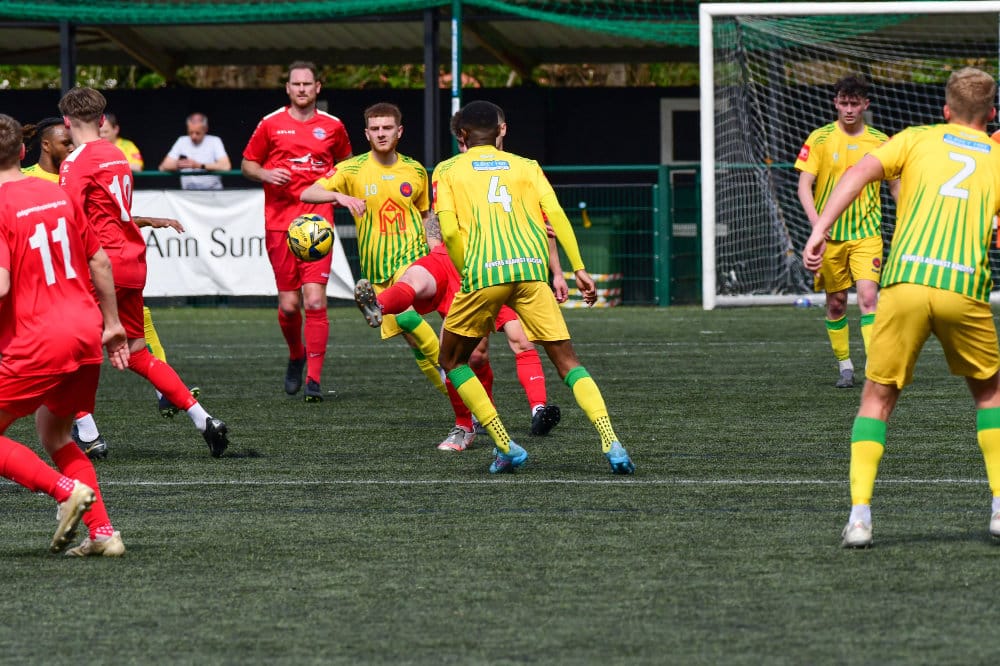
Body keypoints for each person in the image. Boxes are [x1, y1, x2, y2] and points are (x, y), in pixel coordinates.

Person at [802, 67, 1000, 548]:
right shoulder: (997, 156)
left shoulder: (913, 138)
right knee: (990, 396)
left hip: (906, 280)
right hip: (963, 286)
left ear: (945, 110)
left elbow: (857, 174)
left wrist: (819, 229)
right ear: (992, 114)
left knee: (876, 399)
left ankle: (860, 519)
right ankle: (999, 508)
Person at [434, 100, 634, 474]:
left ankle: (505, 445)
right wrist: (578, 268)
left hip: (484, 274)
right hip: (530, 271)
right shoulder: (528, 166)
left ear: (461, 134)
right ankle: (611, 441)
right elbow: (556, 215)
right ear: (502, 130)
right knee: (568, 362)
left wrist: (466, 272)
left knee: (452, 360)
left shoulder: (446, 170)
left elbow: (448, 230)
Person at [349, 108, 566, 450]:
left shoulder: (518, 169)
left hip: (500, 265)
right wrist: (438, 247)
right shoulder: (451, 170)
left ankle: (536, 409)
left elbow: (545, 223)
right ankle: (466, 423)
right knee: (463, 348)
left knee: (517, 340)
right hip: (460, 263)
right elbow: (437, 221)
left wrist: (557, 272)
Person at [58, 86, 230, 458]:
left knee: (67, 350)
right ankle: (203, 419)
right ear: (102, 120)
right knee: (137, 352)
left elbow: (68, 220)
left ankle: (88, 433)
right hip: (131, 261)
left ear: (67, 122)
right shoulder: (116, 154)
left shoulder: (74, 162)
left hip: (99, 264)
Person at [0, 113, 130, 556]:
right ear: (23, 151)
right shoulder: (57, 193)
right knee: (55, 434)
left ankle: (64, 491)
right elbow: (99, 261)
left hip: (39, 339)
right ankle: (103, 533)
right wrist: (113, 325)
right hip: (86, 331)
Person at [299, 102, 450, 410]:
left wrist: (436, 249)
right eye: (375, 129)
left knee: (407, 317)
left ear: (399, 131)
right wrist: (338, 196)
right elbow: (307, 193)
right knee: (412, 339)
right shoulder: (351, 169)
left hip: (412, 260)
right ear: (367, 134)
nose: (381, 134)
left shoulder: (415, 170)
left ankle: (452, 369)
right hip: (376, 270)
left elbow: (426, 215)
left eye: (387, 128)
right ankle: (460, 401)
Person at [241, 60, 353, 402]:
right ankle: (295, 355)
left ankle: (313, 380)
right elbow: (247, 164)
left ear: (317, 88)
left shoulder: (333, 126)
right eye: (296, 84)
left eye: (307, 84)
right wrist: (265, 174)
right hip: (280, 223)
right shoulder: (270, 124)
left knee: (315, 299)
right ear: (288, 88)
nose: (302, 89)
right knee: (290, 306)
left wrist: (335, 188)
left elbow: (347, 166)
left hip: (317, 223)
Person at [796, 75, 899, 389]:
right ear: (835, 103)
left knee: (868, 298)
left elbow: (896, 186)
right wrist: (818, 226)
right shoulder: (820, 138)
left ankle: (873, 370)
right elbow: (804, 186)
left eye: (855, 103)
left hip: (867, 234)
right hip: (830, 238)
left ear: (866, 104)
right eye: (844, 103)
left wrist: (908, 217)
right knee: (836, 303)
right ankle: (845, 366)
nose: (849, 109)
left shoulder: (881, 142)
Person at [159, 112, 231, 190]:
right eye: (190, 132)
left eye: (197, 133)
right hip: (188, 193)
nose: (194, 136)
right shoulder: (182, 141)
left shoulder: (214, 141)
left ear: (205, 129)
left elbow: (226, 166)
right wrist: (179, 164)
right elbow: (163, 167)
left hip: (213, 192)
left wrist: (199, 165)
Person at [20, 116, 74, 182]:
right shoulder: (22, 177)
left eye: (74, 143)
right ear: (46, 145)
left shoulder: (80, 178)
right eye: (66, 144)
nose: (73, 148)